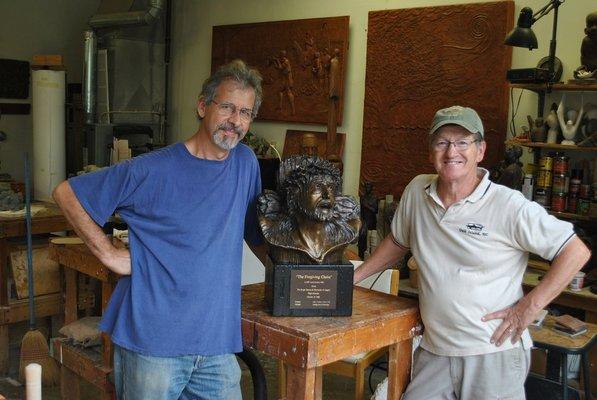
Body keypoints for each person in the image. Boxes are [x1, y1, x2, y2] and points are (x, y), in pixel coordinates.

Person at [52, 59, 268, 400]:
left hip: (216, 345)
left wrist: (289, 282)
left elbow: (254, 233)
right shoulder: (153, 169)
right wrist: (109, 253)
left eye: (245, 112)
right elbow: (67, 194)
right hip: (153, 343)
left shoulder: (245, 163)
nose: (235, 121)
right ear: (202, 105)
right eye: (226, 107)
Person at [354, 105, 591, 400]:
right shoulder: (417, 191)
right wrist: (357, 275)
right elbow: (399, 242)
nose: (452, 151)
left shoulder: (508, 205)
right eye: (442, 142)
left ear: (480, 150)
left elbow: (575, 251)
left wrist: (528, 308)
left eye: (462, 142)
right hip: (435, 350)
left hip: (491, 353)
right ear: (431, 152)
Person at [257, 155, 360, 264]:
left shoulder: (346, 231)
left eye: (331, 188)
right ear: (294, 195)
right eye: (318, 187)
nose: (327, 195)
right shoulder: (274, 233)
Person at [574, 11, 597, 80]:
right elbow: (583, 57)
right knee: (579, 71)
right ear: (585, 30)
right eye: (590, 25)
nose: (594, 28)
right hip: (589, 72)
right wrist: (583, 68)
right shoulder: (586, 41)